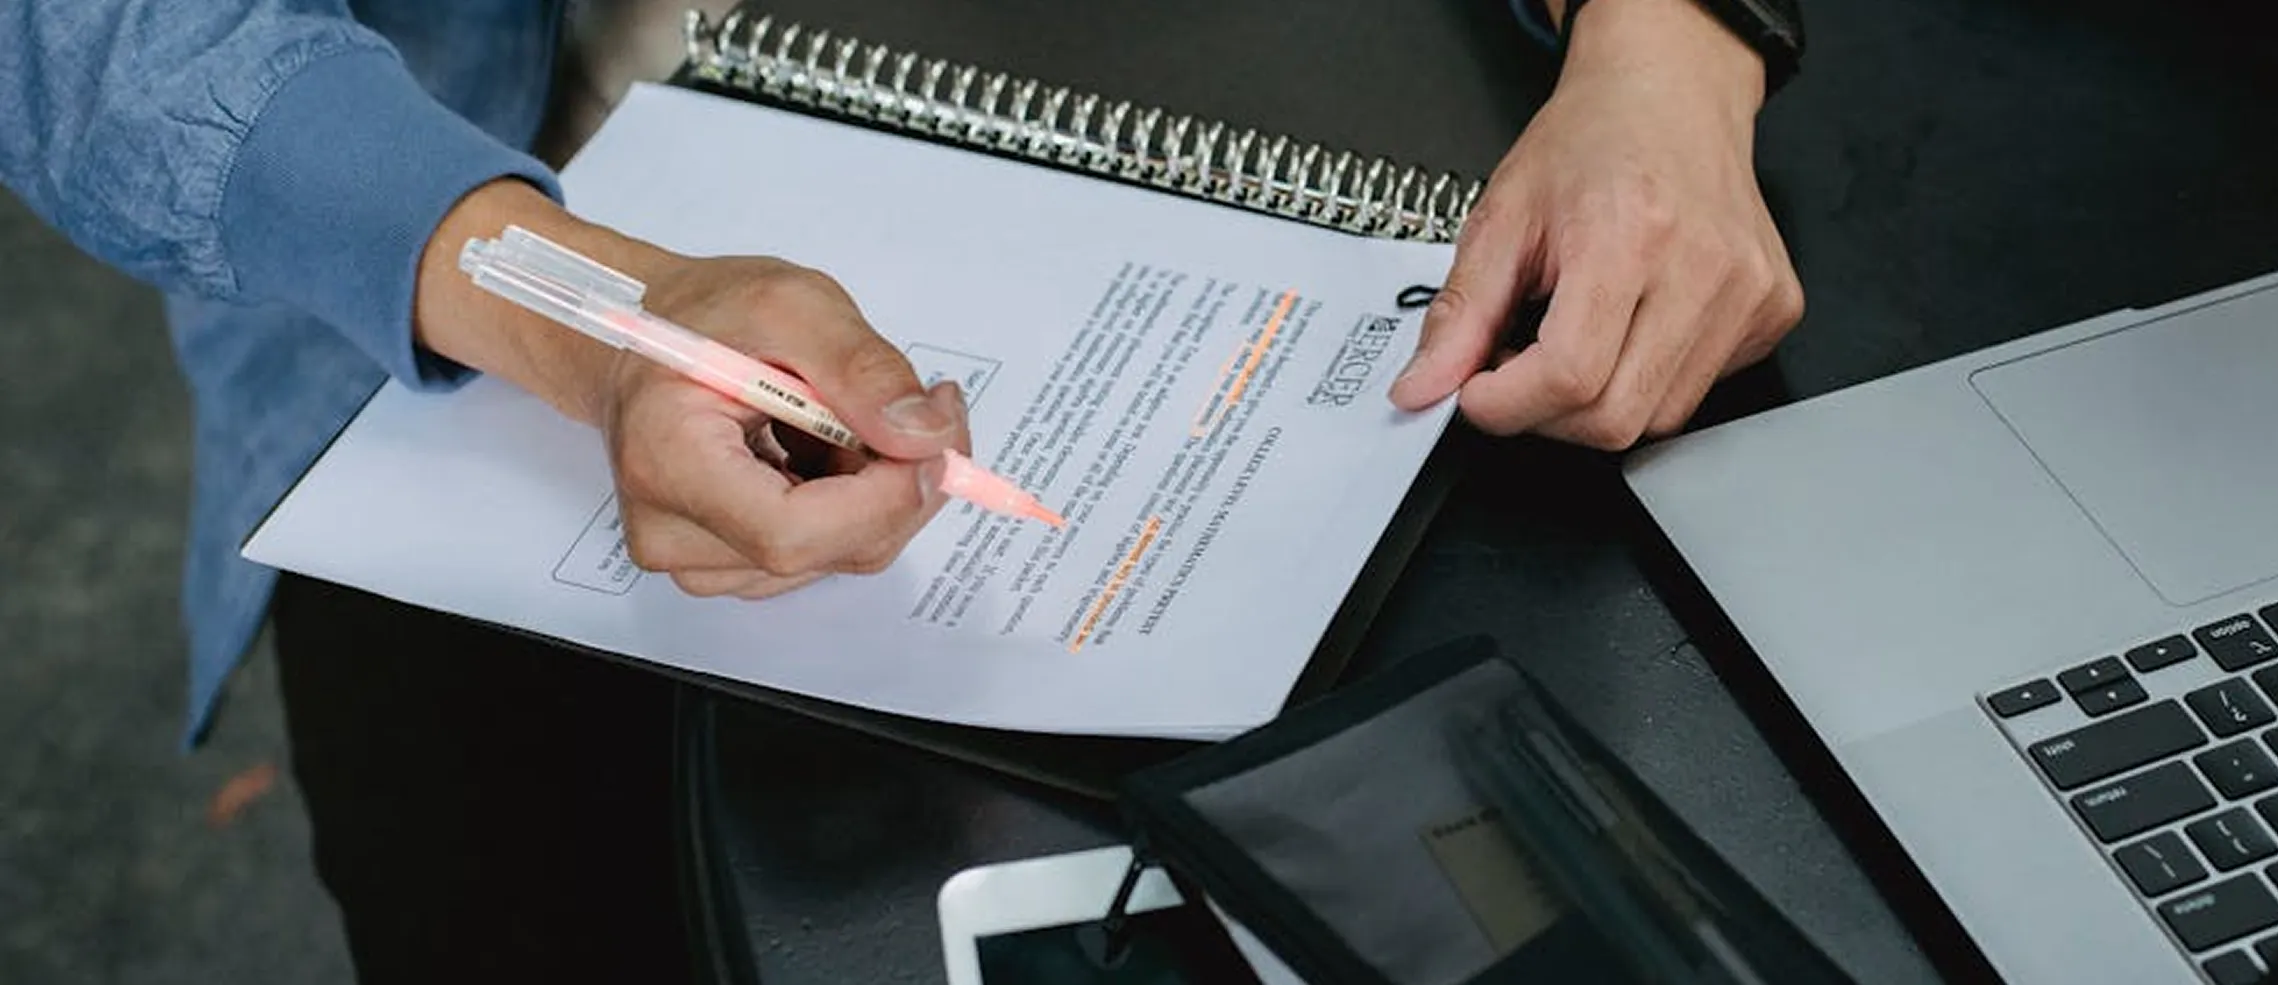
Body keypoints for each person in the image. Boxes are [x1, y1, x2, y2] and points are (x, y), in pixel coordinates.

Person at [0, 0, 1805, 980]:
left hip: (1293, 132)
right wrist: (599, 316)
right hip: (485, 212)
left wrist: (1667, 44)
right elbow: (96, 41)